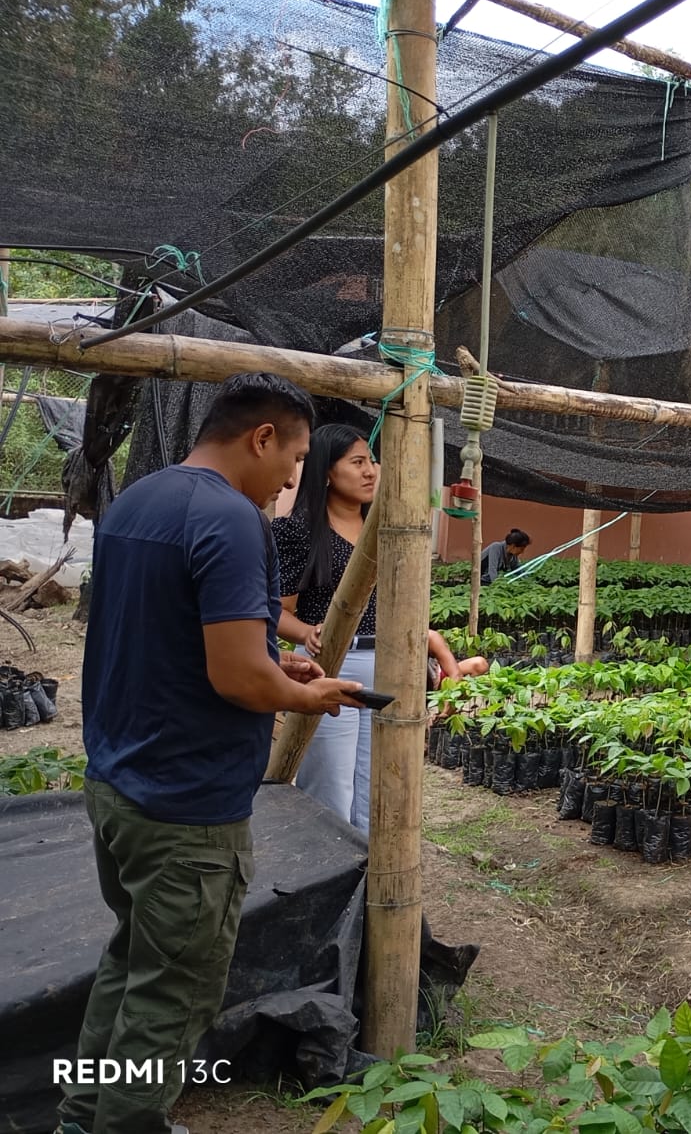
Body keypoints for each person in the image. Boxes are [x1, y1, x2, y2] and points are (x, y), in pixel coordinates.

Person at [64, 374, 360, 1134]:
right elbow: (238, 681)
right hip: (185, 805)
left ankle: (82, 1116)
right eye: (295, 459)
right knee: (175, 992)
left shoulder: (141, 499)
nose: (291, 480)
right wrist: (306, 695)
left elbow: (172, 633)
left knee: (132, 965)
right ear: (262, 437)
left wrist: (273, 660)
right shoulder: (232, 519)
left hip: (119, 781)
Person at [274, 424, 381, 831]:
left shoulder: (386, 530)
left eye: (371, 461)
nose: (369, 471)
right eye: (357, 462)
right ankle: (328, 864)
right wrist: (305, 632)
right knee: (331, 786)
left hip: (382, 663)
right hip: (329, 664)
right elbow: (277, 610)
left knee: (375, 786)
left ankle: (369, 866)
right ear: (326, 472)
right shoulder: (298, 531)